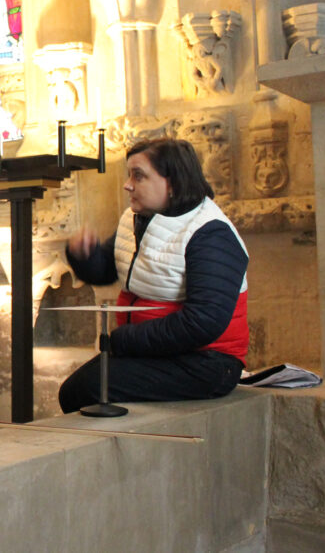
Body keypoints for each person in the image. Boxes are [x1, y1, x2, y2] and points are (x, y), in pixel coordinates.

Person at [58, 138, 249, 413]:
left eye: (138, 176)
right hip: (155, 352)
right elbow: (108, 271)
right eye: (129, 175)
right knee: (80, 389)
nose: (128, 184)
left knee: (86, 388)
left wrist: (124, 339)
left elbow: (203, 322)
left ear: (172, 182)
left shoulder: (211, 233)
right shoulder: (137, 218)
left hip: (207, 363)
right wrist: (84, 256)